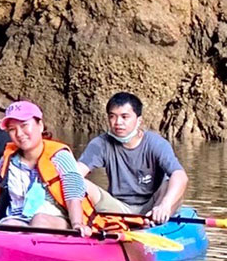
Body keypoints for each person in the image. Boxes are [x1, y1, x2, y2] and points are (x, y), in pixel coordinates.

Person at [0, 100, 92, 234]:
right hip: (18, 218)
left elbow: (73, 196)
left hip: (55, 219)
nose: (19, 133)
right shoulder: (6, 162)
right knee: (7, 225)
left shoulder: (60, 157)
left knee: (39, 221)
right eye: (12, 129)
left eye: (24, 125)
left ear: (40, 125)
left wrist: (77, 224)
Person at [76, 92, 189, 223]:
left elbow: (180, 175)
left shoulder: (156, 143)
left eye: (125, 117)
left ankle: (155, 222)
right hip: (118, 207)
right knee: (77, 181)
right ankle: (78, 222)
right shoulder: (100, 144)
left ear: (138, 120)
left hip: (152, 206)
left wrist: (165, 205)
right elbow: (78, 171)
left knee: (171, 183)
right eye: (112, 116)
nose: (118, 122)